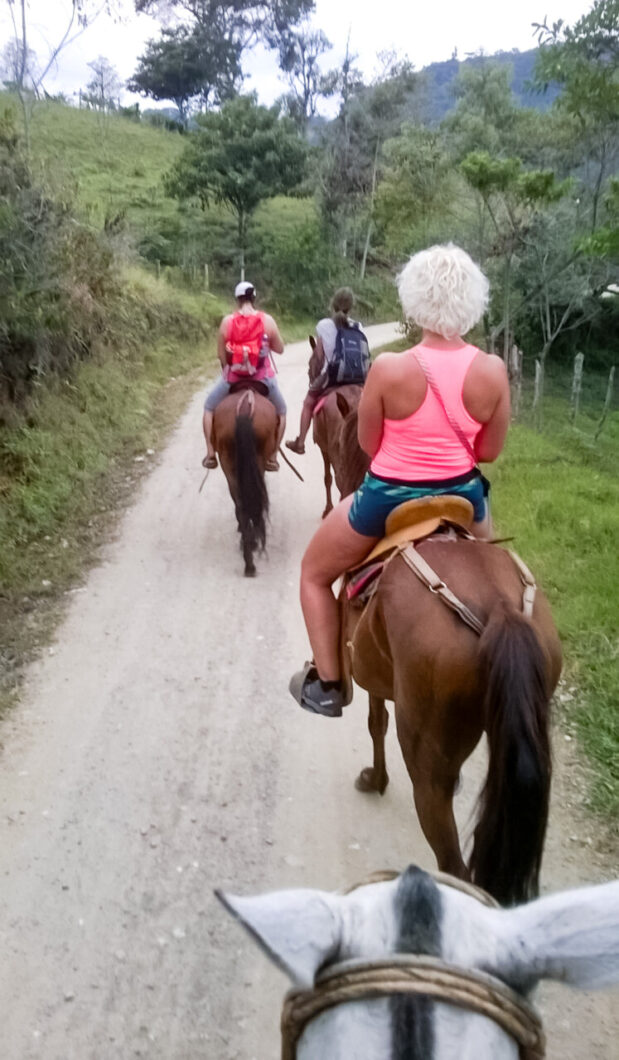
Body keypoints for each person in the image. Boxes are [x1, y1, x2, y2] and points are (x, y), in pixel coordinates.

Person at [289, 243, 511, 717]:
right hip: (465, 500)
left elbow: (368, 445)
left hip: (387, 498)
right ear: (472, 303)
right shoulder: (492, 370)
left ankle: (329, 683)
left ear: (414, 302)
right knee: (500, 580)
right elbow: (489, 451)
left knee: (313, 573)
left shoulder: (390, 368)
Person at [202, 281, 287, 472]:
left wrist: (231, 371)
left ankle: (210, 454)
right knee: (282, 411)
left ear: (237, 299)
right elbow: (280, 349)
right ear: (254, 298)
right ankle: (272, 457)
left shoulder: (227, 322)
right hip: (263, 378)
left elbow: (221, 356)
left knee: (208, 407)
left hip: (233, 378)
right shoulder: (267, 321)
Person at [285, 287, 367, 455]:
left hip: (332, 376)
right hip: (357, 378)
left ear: (333, 304)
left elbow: (319, 355)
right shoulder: (359, 326)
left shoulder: (323, 325)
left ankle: (300, 443)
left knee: (308, 403)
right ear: (351, 307)